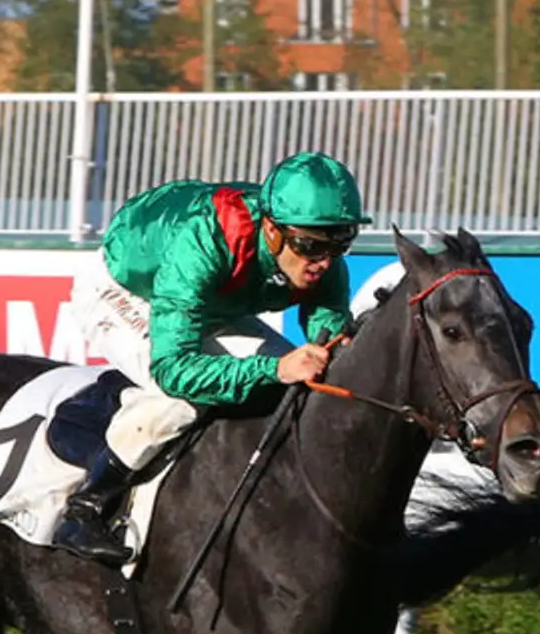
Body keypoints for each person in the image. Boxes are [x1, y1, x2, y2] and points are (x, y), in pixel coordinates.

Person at [53, 151, 370, 565]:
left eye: (340, 244)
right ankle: (84, 510)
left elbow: (327, 327)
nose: (324, 262)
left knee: (293, 392)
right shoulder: (202, 241)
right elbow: (174, 369)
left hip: (210, 303)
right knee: (181, 400)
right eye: (310, 246)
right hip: (126, 289)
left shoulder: (321, 253)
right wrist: (274, 367)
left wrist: (333, 348)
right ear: (272, 231)